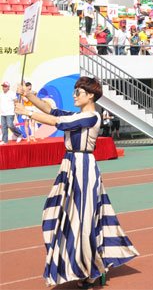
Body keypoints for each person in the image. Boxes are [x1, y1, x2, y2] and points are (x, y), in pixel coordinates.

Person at [14, 77, 139, 287]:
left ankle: (91, 269)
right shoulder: (79, 115)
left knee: (83, 220)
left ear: (90, 95)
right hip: (70, 165)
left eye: (78, 92)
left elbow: (56, 122)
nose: (74, 95)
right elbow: (51, 110)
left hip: (84, 167)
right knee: (59, 213)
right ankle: (81, 265)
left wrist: (26, 112)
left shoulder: (91, 117)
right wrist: (28, 96)